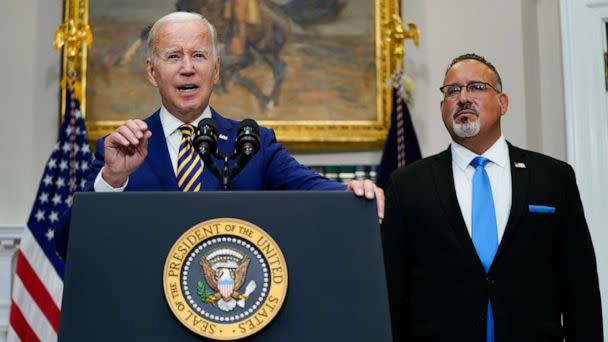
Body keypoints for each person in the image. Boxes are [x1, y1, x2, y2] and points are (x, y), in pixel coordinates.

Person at [54, 11, 383, 258]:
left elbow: (311, 187)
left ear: (216, 69)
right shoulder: (122, 148)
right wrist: (111, 180)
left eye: (198, 55)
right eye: (173, 56)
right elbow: (68, 244)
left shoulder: (253, 143)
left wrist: (351, 192)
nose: (187, 67)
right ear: (152, 72)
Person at [381, 53, 603, 341]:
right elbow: (391, 290)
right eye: (452, 91)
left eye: (475, 87)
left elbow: (580, 287)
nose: (462, 97)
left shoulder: (553, 177)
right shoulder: (408, 183)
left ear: (503, 103)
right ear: (442, 108)